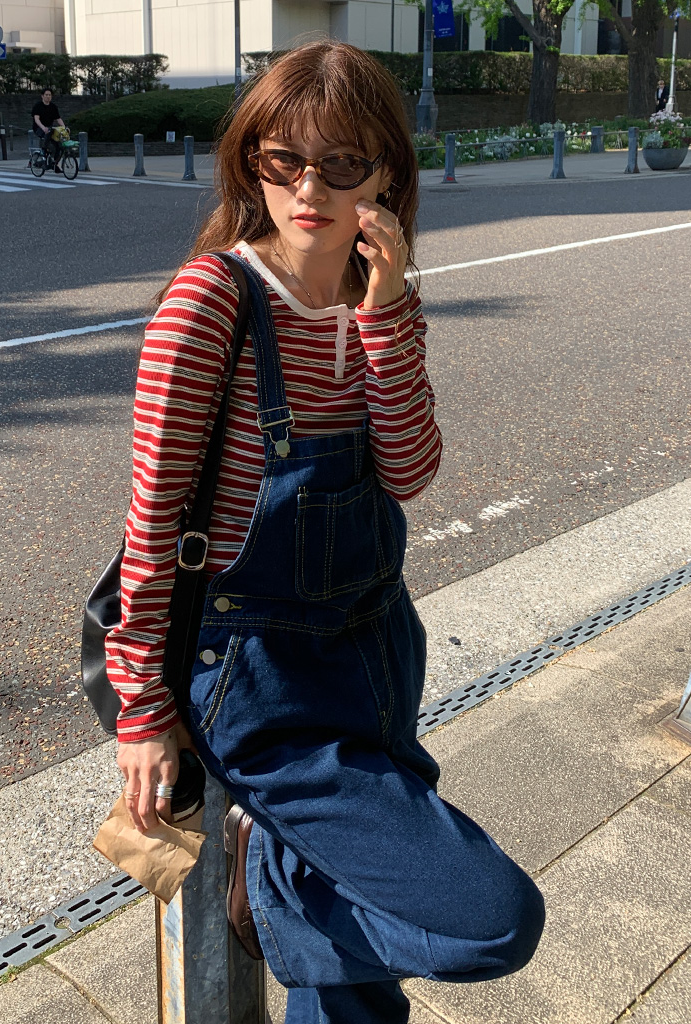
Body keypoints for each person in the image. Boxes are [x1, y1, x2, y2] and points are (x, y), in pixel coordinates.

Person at [106, 41, 545, 1024]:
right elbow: (153, 514)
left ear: (385, 173)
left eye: (342, 163)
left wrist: (387, 315)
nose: (309, 188)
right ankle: (267, 879)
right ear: (251, 162)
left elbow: (410, 471)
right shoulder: (212, 301)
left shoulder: (377, 298)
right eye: (283, 159)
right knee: (491, 919)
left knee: (359, 986)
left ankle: (288, 879)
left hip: (376, 646)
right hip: (258, 678)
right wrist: (141, 709)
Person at [31, 87, 65, 172]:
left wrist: (64, 128)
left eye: (49, 95)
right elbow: (37, 119)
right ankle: (43, 154)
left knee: (59, 146)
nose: (48, 96)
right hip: (39, 128)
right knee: (48, 142)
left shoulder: (53, 107)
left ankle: (55, 164)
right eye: (46, 95)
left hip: (50, 128)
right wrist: (43, 127)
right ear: (42, 96)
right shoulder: (38, 106)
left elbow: (58, 119)